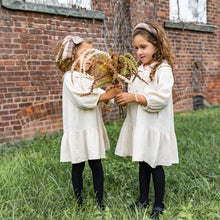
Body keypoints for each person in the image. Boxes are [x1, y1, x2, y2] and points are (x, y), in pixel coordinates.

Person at [115, 21, 179, 219]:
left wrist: (133, 97)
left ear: (157, 46)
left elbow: (160, 99)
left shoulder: (163, 69)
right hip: (141, 125)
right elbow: (134, 94)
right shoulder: (139, 69)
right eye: (136, 48)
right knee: (143, 162)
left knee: (155, 164)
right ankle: (143, 199)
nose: (139, 52)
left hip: (155, 126)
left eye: (143, 47)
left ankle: (159, 203)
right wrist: (123, 96)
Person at [53, 35, 122, 210]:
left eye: (92, 55)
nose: (90, 59)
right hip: (78, 128)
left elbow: (100, 97)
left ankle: (100, 203)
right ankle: (79, 202)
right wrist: (105, 95)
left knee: (96, 165)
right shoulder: (70, 77)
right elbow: (82, 100)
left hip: (91, 128)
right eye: (85, 54)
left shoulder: (89, 79)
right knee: (78, 166)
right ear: (73, 55)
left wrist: (110, 92)